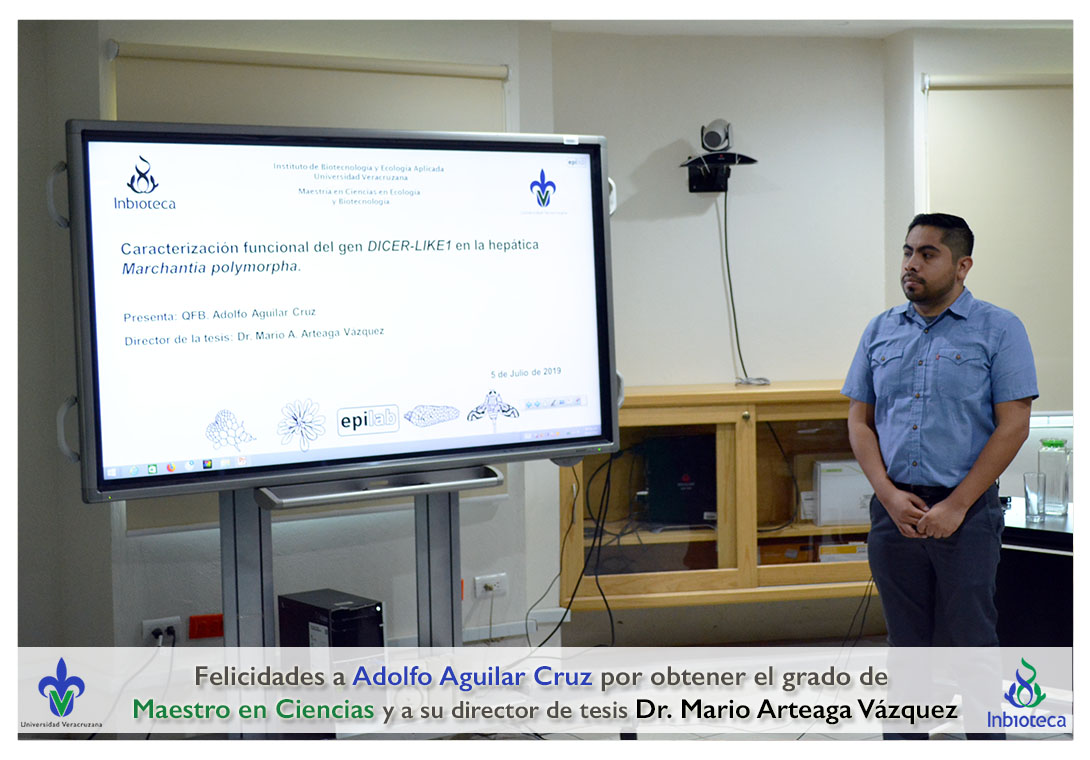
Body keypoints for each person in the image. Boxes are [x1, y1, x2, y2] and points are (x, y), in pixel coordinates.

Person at [842, 214, 1037, 737]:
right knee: (906, 647)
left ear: (962, 265)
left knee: (973, 644)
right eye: (908, 251)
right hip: (895, 513)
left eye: (928, 254)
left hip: (966, 513)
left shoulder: (999, 328)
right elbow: (859, 422)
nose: (912, 264)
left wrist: (956, 506)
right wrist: (887, 495)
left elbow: (1014, 425)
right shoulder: (880, 329)